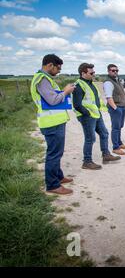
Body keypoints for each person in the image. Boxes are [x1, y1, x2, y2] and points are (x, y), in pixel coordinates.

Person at [30, 54, 75, 195]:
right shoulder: (42, 79)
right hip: (51, 123)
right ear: (50, 65)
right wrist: (66, 91)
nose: (59, 71)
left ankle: (58, 177)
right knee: (54, 154)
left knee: (57, 152)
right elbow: (52, 100)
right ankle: (52, 185)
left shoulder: (45, 78)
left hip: (55, 122)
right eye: (58, 68)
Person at [73, 63, 121, 170]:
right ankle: (87, 161)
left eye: (94, 72)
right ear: (83, 73)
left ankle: (106, 155)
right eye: (91, 73)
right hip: (87, 116)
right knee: (90, 138)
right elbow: (77, 104)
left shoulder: (91, 83)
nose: (94, 74)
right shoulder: (79, 85)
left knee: (104, 133)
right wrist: (87, 113)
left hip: (96, 114)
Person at [103, 64, 125, 156]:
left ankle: (119, 143)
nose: (115, 72)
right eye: (113, 70)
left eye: (116, 70)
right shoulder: (108, 82)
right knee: (115, 127)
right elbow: (108, 97)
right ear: (108, 71)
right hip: (116, 107)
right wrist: (115, 108)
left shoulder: (117, 80)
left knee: (120, 126)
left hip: (122, 107)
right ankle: (115, 147)